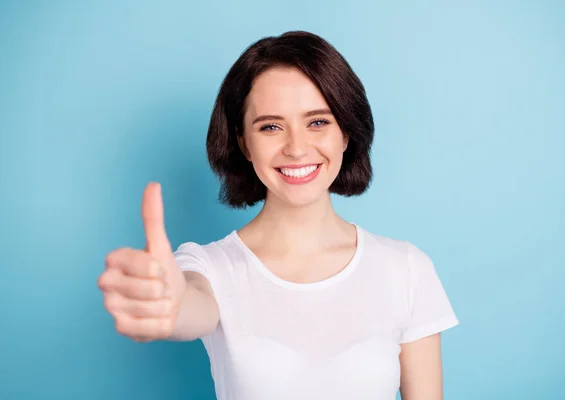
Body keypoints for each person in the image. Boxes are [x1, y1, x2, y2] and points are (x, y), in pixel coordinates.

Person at [97, 30, 459, 400]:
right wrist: (166, 307)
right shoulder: (208, 267)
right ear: (243, 142)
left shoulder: (406, 269)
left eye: (318, 122)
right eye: (271, 126)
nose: (297, 148)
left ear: (346, 134)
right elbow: (190, 305)